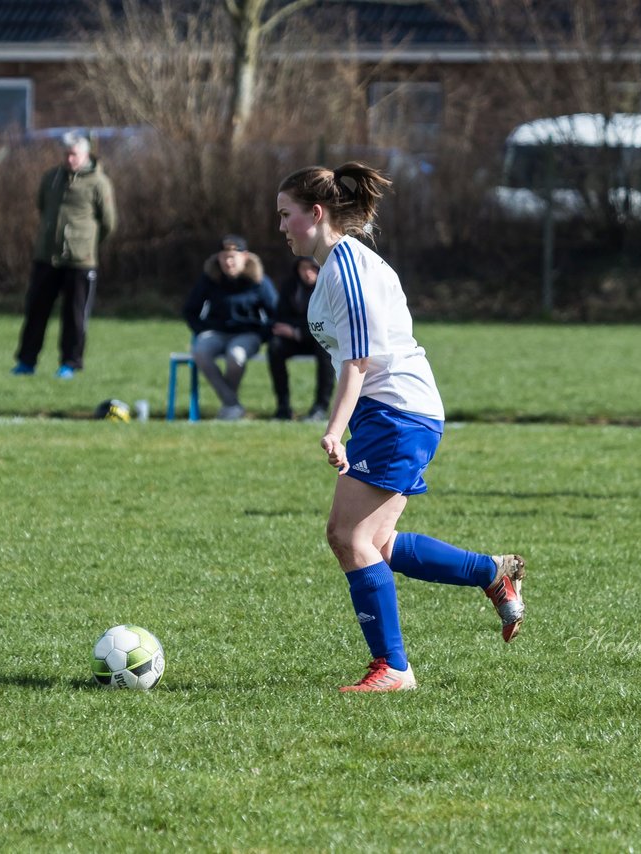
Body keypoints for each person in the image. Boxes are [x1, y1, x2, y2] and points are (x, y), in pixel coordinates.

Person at [276, 162, 526, 692]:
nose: (280, 227)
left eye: (285, 215)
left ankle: (393, 668)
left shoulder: (348, 267)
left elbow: (358, 361)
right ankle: (489, 572)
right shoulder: (335, 266)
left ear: (315, 214)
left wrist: (333, 429)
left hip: (398, 411)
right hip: (390, 412)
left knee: (349, 537)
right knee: (376, 542)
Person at [12, 131, 117, 379]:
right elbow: (42, 207)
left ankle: (70, 363)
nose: (69, 159)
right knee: (36, 311)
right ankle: (26, 361)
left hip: (80, 262)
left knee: (75, 315)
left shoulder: (99, 183)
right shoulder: (51, 178)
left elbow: (108, 223)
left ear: (85, 154)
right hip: (47, 257)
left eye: (74, 155)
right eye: (66, 154)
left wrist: (86, 244)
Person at [181, 234, 278, 420]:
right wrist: (202, 330)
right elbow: (190, 310)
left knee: (236, 355)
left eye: (232, 257)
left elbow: (276, 313)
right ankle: (232, 404)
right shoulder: (210, 279)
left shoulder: (259, 281)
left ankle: (230, 407)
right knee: (200, 351)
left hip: (247, 334)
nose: (228, 262)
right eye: (224, 257)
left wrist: (262, 335)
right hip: (216, 332)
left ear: (245, 257)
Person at [269, 256, 334, 420]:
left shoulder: (329, 287)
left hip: (320, 339)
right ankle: (283, 407)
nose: (307, 273)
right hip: (295, 339)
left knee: (326, 351)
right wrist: (295, 331)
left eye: (312, 268)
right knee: (275, 347)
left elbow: (329, 322)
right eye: (303, 268)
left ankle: (320, 406)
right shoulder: (290, 286)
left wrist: (297, 331)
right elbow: (280, 317)